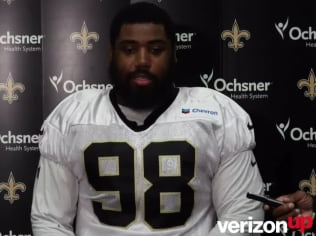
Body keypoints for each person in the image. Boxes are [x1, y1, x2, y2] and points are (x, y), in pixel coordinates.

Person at [31, 2, 264, 235]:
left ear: (173, 54)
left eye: (155, 50)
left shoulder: (219, 115)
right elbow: (50, 220)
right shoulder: (72, 117)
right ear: (111, 54)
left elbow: (242, 215)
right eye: (129, 50)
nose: (142, 61)